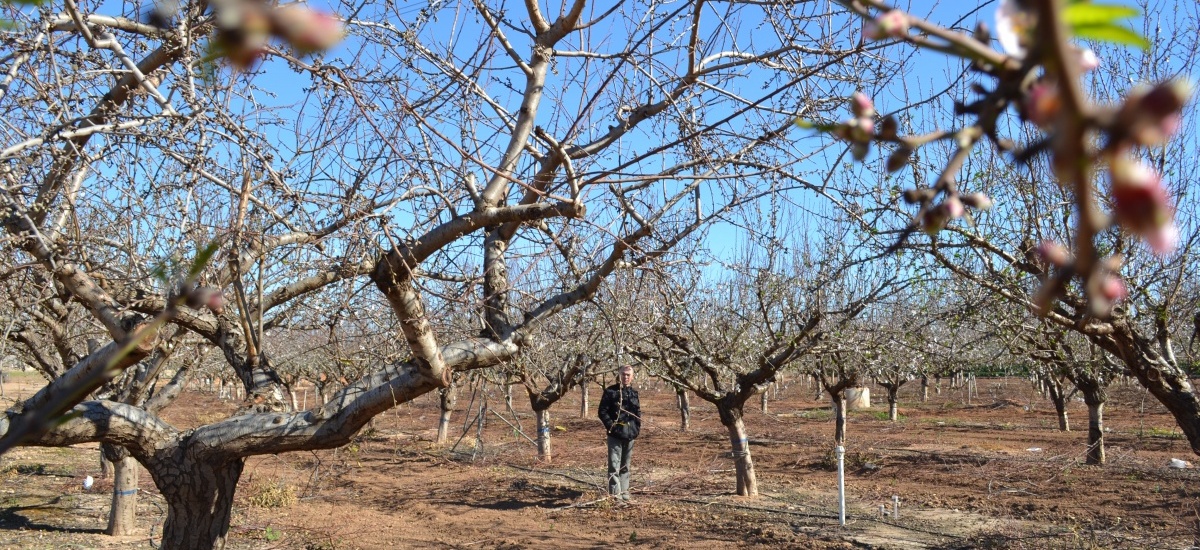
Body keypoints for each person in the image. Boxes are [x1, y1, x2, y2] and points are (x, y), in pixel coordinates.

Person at [598, 365, 640, 501]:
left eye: (628, 375)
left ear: (632, 376)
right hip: (615, 435)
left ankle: (625, 494)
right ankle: (615, 496)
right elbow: (602, 411)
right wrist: (612, 427)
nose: (626, 377)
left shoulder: (633, 393)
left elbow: (637, 413)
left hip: (630, 435)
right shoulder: (611, 392)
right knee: (614, 467)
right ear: (619, 375)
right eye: (623, 374)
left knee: (625, 466)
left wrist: (636, 428)